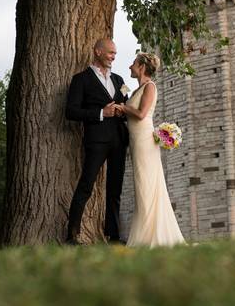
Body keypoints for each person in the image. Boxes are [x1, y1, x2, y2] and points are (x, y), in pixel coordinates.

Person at [116, 52, 185, 248]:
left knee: (146, 185)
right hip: (136, 141)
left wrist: (123, 108)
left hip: (145, 142)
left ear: (141, 67)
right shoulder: (137, 89)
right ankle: (145, 232)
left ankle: (146, 237)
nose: (130, 67)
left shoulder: (150, 87)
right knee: (141, 186)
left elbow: (141, 114)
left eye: (133, 64)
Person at [64, 39, 129, 245]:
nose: (113, 57)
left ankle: (114, 235)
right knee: (86, 185)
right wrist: (102, 112)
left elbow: (126, 106)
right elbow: (71, 112)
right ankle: (72, 235)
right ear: (98, 52)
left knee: (115, 188)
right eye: (110, 53)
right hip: (96, 141)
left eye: (115, 54)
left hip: (119, 140)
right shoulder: (81, 80)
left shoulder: (119, 80)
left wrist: (122, 110)